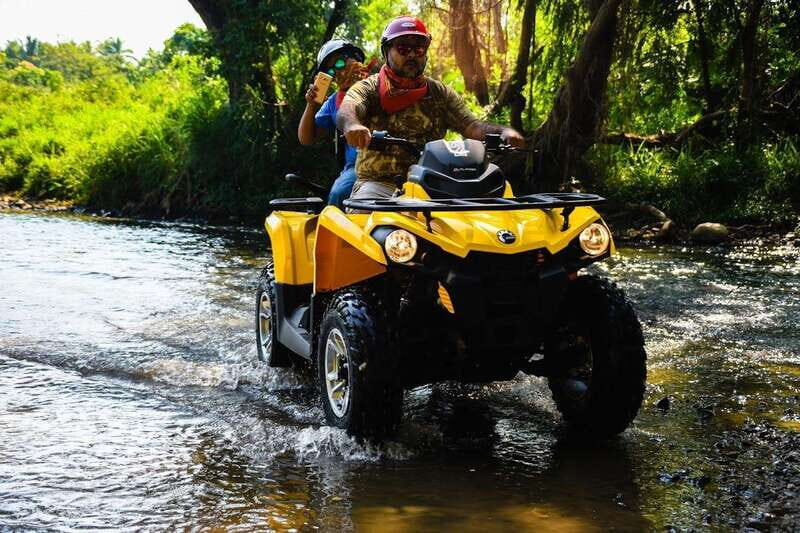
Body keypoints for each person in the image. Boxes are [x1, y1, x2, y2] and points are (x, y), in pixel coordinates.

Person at [336, 15, 525, 203]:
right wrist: (352, 125)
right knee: (364, 215)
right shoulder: (369, 87)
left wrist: (504, 132)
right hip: (379, 185)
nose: (412, 55)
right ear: (386, 51)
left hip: (434, 184)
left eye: (419, 48)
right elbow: (349, 108)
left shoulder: (440, 92)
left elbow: (471, 126)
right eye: (403, 48)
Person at [297, 40, 370, 208]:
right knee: (340, 192)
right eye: (330, 71)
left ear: (356, 58)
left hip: (391, 159)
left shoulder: (380, 83)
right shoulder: (334, 101)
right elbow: (306, 138)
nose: (337, 71)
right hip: (357, 166)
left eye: (340, 63)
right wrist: (312, 104)